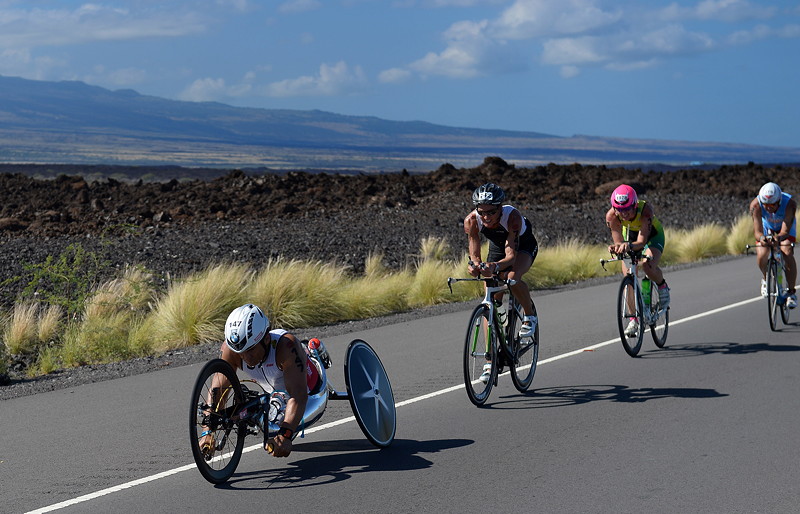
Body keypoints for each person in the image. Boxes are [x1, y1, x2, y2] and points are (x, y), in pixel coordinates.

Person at [201, 304, 319, 458]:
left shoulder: (285, 347)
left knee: (278, 417)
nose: (246, 357)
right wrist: (208, 431)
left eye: (250, 350)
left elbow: (298, 395)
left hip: (307, 384)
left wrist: (286, 434)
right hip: (273, 391)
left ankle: (313, 351)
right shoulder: (232, 351)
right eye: (240, 352)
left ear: (266, 339)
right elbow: (218, 389)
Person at [464, 183, 539, 383]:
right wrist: (476, 266)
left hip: (522, 247)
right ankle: (490, 361)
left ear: (500, 207)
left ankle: (530, 316)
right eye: (482, 212)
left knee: (512, 278)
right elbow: (475, 254)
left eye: (491, 212)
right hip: (498, 248)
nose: (486, 217)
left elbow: (511, 256)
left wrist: (495, 267)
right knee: (490, 298)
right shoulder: (472, 221)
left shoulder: (512, 218)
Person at [605, 184, 670, 337]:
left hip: (652, 236)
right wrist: (616, 248)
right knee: (628, 275)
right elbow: (619, 242)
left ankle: (662, 286)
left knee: (647, 265)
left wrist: (628, 246)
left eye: (627, 209)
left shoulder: (645, 211)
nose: (623, 213)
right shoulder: (612, 216)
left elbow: (642, 241)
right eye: (619, 209)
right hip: (630, 236)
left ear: (634, 205)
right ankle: (633, 319)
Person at [749, 182, 797, 308]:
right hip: (767, 227)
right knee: (762, 253)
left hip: (784, 227)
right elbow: (757, 232)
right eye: (765, 205)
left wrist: (778, 238)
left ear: (779, 201)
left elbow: (785, 231)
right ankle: (766, 279)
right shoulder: (755, 205)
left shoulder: (790, 204)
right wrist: (762, 239)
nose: (768, 208)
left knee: (787, 250)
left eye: (772, 205)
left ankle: (791, 292)